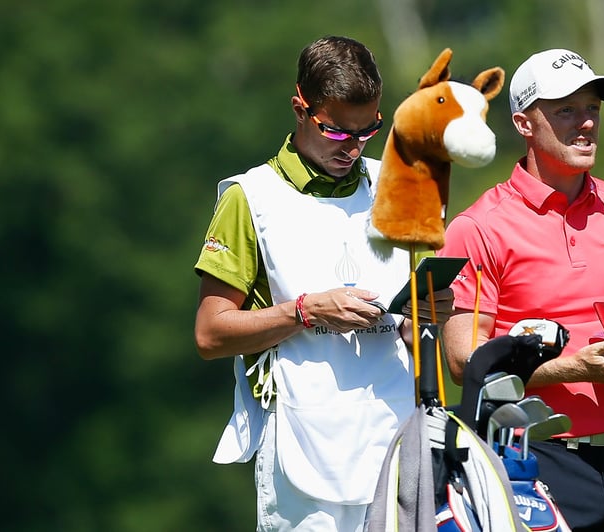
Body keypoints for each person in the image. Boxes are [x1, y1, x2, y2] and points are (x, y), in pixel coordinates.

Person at [193, 35, 450, 532]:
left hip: (398, 442)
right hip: (302, 450)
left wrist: (429, 314)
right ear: (300, 108)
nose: (352, 147)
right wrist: (306, 311)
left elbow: (416, 331)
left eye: (368, 130)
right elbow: (210, 334)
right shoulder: (250, 197)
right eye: (336, 131)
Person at [438, 48, 604, 531]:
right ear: (524, 124)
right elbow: (465, 362)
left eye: (592, 108)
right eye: (566, 110)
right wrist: (573, 369)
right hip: (535, 465)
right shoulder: (478, 227)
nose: (586, 123)